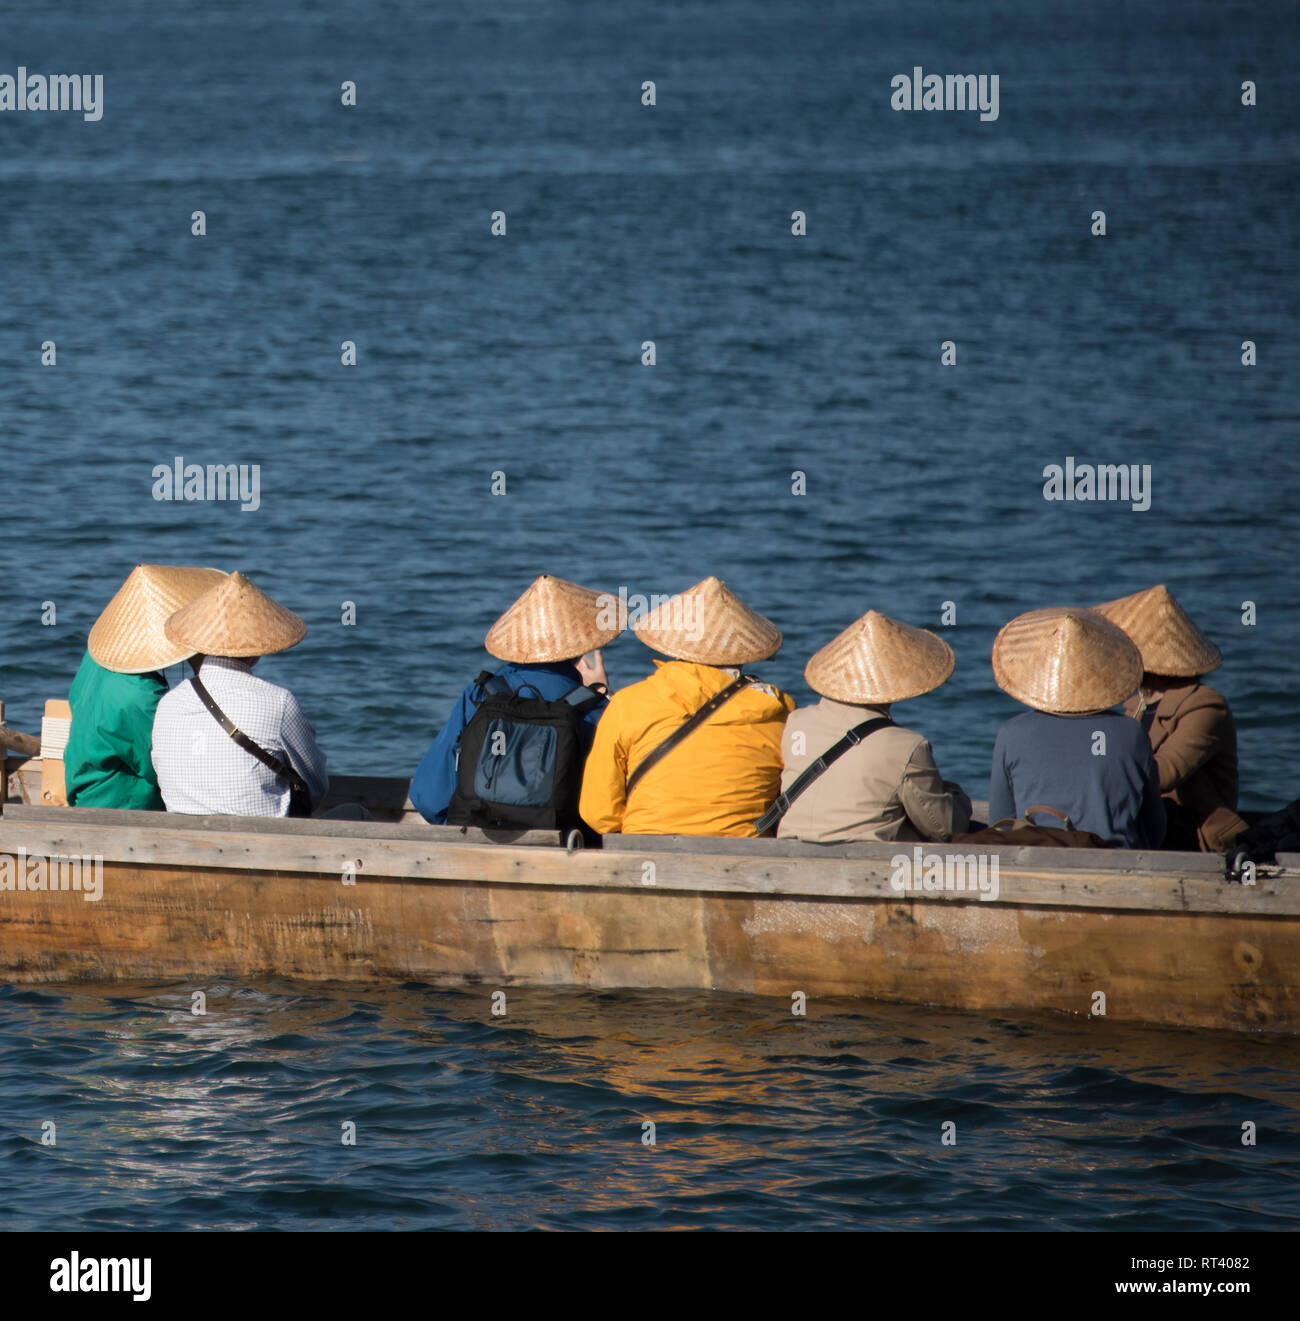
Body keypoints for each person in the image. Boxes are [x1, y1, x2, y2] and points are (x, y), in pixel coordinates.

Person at [579, 576, 795, 836]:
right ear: (744, 650)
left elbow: (599, 815)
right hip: (745, 865)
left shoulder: (629, 704)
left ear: (675, 643)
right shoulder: (779, 711)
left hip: (645, 858)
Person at [409, 574, 620, 824]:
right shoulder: (594, 709)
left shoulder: (479, 695)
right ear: (579, 645)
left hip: (475, 847)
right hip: (563, 849)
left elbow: (429, 798)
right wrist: (603, 695)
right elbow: (606, 810)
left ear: (516, 641)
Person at [774, 610, 971, 842]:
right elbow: (943, 828)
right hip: (869, 869)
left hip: (789, 853)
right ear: (898, 682)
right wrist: (957, 797)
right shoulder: (908, 746)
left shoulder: (797, 722)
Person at [151, 572, 329, 816]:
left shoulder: (168, 704)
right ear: (256, 651)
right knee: (356, 813)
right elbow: (316, 785)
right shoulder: (279, 702)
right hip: (262, 848)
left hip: (181, 847)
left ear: (199, 644)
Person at [989, 606, 1164, 848]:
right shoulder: (1131, 733)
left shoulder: (1012, 733)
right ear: (1103, 671)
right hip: (1117, 866)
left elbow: (1001, 822)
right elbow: (1155, 828)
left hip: (1039, 862)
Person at [64, 564, 228, 810]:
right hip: (120, 811)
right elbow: (170, 772)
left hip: (86, 791)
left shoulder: (97, 659)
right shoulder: (140, 697)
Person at [1095, 585, 1245, 852]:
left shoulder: (1206, 706)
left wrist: (1089, 771)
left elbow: (1165, 773)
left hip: (1195, 839)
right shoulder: (1138, 704)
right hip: (1150, 827)